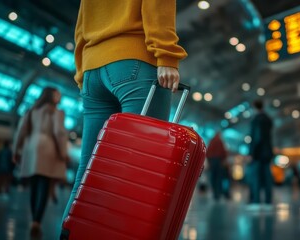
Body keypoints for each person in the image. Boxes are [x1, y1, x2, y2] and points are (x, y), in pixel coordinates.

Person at [62, 0, 188, 222]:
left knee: (88, 172)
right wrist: (167, 55)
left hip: (93, 70)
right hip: (135, 63)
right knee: (141, 172)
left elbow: (82, 24)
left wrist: (83, 71)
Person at [13, 87, 68, 236]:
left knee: (34, 185)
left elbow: (21, 131)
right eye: (58, 94)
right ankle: (37, 221)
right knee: (44, 184)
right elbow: (59, 132)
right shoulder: (56, 112)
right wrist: (63, 153)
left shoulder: (31, 111)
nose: (60, 97)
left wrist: (16, 150)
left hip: (30, 148)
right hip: (48, 148)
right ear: (52, 96)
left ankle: (33, 219)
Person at [247, 99, 274, 206]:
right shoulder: (268, 119)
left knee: (256, 177)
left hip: (258, 154)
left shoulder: (257, 120)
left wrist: (252, 153)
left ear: (254, 108)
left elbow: (257, 138)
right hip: (267, 152)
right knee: (267, 177)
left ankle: (256, 201)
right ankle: (268, 201)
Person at [206, 131, 229, 201]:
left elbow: (208, 152)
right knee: (219, 178)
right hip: (219, 162)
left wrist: (209, 161)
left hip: (212, 161)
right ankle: (218, 194)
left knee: (213, 178)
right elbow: (224, 152)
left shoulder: (212, 141)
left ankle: (214, 193)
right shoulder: (220, 141)